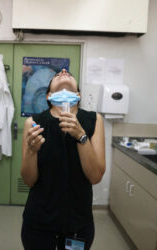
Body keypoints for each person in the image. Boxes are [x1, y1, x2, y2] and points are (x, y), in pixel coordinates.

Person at [21, 69, 106, 250]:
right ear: (49, 96)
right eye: (56, 76)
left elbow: (96, 176)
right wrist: (31, 151)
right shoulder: (33, 124)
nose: (64, 71)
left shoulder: (94, 120)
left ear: (78, 95)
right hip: (39, 222)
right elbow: (29, 180)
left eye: (69, 73)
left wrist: (81, 136)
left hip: (78, 225)